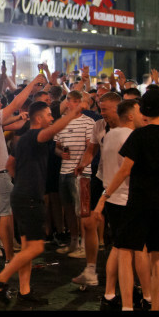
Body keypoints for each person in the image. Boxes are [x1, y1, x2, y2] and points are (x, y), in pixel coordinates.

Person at [0, 100, 83, 306]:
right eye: (49, 115)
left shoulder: (22, 140)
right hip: (29, 198)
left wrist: (23, 181)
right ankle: (0, 279)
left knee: (27, 248)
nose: (51, 118)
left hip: (22, 194)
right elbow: (49, 132)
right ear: (39, 118)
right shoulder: (35, 136)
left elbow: (9, 164)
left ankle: (24, 292)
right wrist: (71, 114)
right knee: (35, 248)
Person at [92, 89, 159, 311]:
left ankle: (126, 306)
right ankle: (155, 306)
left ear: (144, 111)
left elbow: (124, 170)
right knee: (158, 258)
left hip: (138, 202)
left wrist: (104, 196)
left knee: (124, 251)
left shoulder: (139, 136)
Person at [0, 74, 47, 268]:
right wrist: (31, 84)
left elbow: (16, 123)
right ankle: (10, 259)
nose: (0, 108)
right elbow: (15, 104)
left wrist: (27, 119)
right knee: (5, 214)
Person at [72, 92, 122, 287]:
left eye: (105, 109)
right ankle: (91, 269)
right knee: (89, 223)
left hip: (122, 186)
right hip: (101, 180)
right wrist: (83, 164)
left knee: (119, 232)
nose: (102, 113)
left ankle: (125, 277)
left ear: (118, 108)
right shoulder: (99, 125)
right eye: (100, 109)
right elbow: (91, 150)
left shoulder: (130, 128)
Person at [54, 90, 95, 257]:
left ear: (77, 102)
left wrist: (82, 163)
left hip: (81, 172)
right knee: (69, 209)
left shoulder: (88, 122)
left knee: (82, 211)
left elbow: (90, 147)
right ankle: (73, 242)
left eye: (68, 101)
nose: (66, 104)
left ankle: (84, 246)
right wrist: (60, 153)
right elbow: (57, 145)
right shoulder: (62, 122)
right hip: (64, 170)